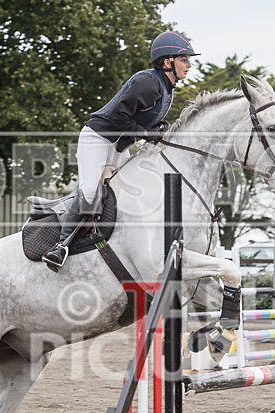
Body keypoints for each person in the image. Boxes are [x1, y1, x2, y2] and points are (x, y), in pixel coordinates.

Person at [42, 31, 198, 270]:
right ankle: (61, 246)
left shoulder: (167, 87)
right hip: (97, 139)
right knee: (91, 191)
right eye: (184, 60)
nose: (189, 65)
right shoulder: (148, 82)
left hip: (117, 144)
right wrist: (146, 133)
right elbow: (118, 116)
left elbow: (137, 120)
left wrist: (155, 129)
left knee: (130, 190)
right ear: (168, 62)